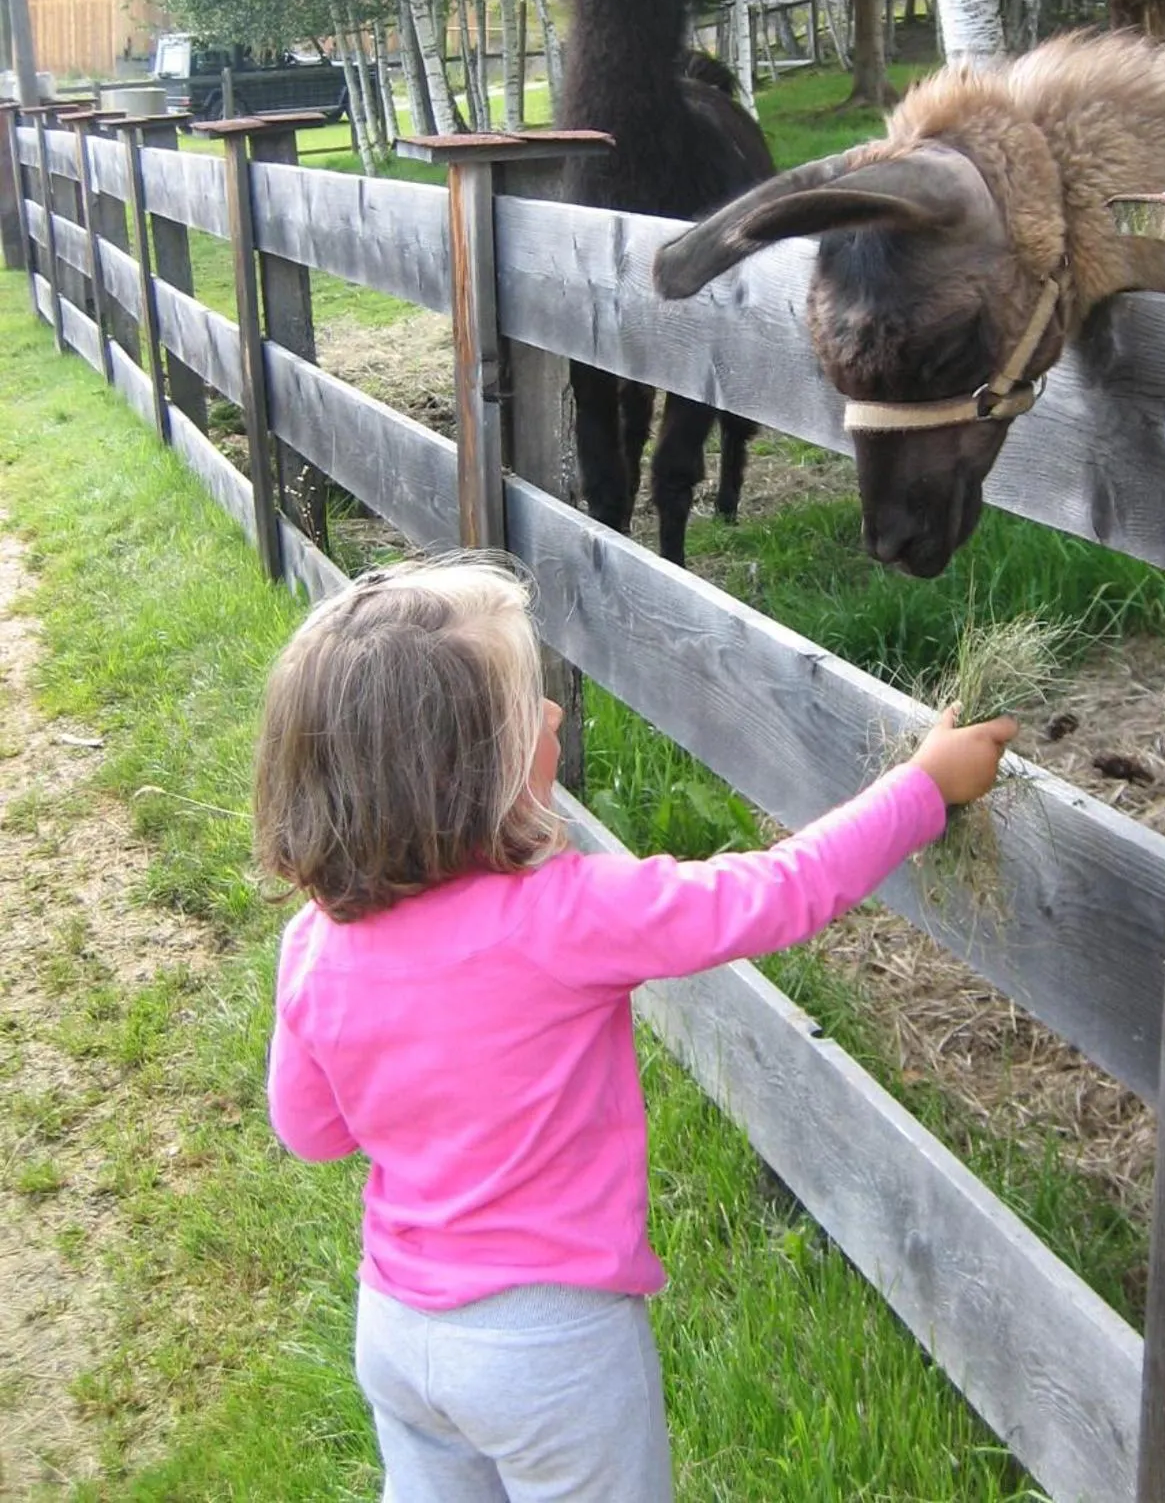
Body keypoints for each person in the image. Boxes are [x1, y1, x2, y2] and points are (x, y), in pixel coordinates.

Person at [254, 553, 1016, 1503]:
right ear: (466, 774)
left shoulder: (315, 944)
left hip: (400, 1331)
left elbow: (311, 1133)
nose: (555, 716)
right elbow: (773, 895)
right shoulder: (564, 917)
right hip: (551, 1350)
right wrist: (923, 788)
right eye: (528, 705)